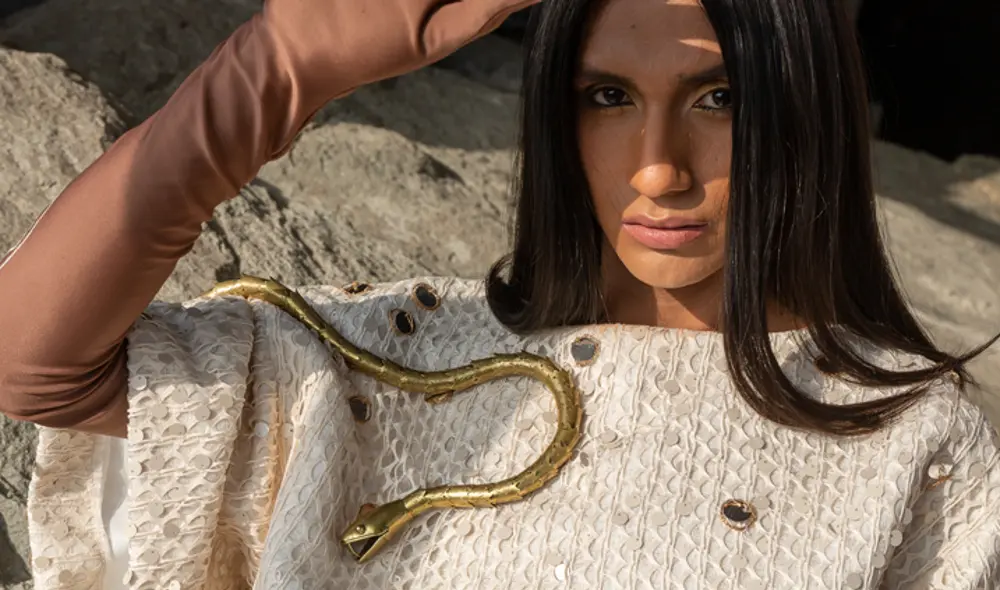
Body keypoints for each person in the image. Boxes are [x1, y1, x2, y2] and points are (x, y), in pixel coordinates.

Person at [0, 0, 997, 587]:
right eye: (608, 97)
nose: (658, 168)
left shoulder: (911, 442)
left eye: (718, 98)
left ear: (805, 107)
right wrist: (279, 67)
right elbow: (34, 362)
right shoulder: (391, 357)